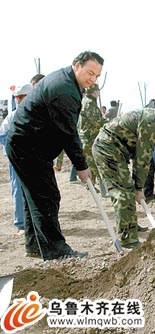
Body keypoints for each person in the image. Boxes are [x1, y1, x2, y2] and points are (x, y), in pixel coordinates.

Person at [6, 51, 104, 260]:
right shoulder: (64, 89)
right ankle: (56, 251)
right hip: (28, 146)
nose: (92, 79)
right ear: (77, 65)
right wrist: (81, 165)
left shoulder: (67, 82)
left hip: (27, 145)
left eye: (96, 76)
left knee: (34, 197)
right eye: (90, 72)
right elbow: (69, 132)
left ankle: (34, 246)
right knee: (47, 197)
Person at [92, 91, 155, 248]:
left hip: (116, 150)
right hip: (108, 149)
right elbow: (142, 159)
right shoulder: (153, 121)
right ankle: (127, 238)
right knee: (124, 191)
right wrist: (139, 187)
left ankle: (130, 226)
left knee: (128, 188)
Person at [0, 84, 32, 235]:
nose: (19, 100)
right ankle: (20, 224)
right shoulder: (12, 116)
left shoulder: (37, 113)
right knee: (18, 189)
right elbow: (3, 136)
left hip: (34, 159)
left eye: (21, 97)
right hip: (17, 159)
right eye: (17, 98)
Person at [77, 83, 106, 188]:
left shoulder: (86, 101)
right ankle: (92, 185)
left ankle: (91, 185)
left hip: (89, 137)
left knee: (91, 162)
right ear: (95, 91)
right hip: (89, 138)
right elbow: (96, 121)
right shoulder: (89, 103)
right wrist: (108, 123)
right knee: (92, 163)